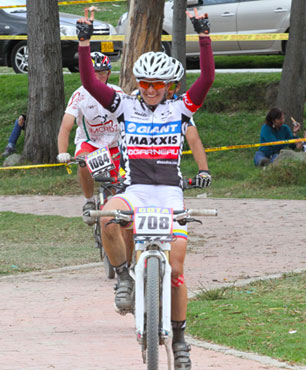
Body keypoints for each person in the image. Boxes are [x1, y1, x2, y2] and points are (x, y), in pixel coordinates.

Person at [76, 7, 214, 369]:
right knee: (107, 218)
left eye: (158, 85)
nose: (151, 91)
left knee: (178, 268)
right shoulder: (123, 106)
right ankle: (123, 278)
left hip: (169, 194)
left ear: (170, 86)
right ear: (137, 83)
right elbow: (91, 84)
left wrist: (204, 35)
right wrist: (84, 42)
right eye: (145, 84)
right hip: (136, 189)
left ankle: (181, 341)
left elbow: (208, 79)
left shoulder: (181, 109)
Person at [57, 52, 123, 225]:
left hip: (114, 145)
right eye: (94, 73)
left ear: (108, 74)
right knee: (83, 163)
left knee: (119, 187)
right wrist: (62, 152)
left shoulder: (117, 92)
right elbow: (65, 127)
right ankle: (88, 201)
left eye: (102, 73)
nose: (98, 78)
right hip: (90, 143)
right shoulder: (79, 96)